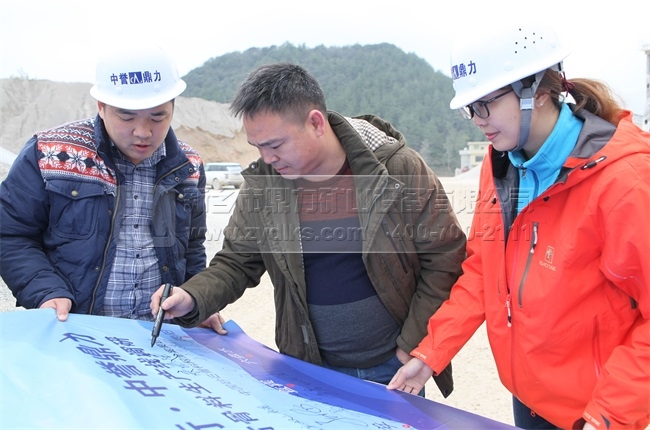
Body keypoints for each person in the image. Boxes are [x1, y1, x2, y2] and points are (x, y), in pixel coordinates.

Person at [386, 23, 650, 430]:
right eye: (469, 108)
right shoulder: (500, 166)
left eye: (485, 104)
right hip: (527, 398)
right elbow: (482, 271)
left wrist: (606, 417)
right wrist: (431, 354)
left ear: (538, 91)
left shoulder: (624, 182)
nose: (477, 120)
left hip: (592, 411)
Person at [150, 62, 467, 396]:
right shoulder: (265, 186)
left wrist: (412, 343)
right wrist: (192, 296)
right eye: (257, 147)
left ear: (316, 122)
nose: (267, 158)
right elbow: (236, 262)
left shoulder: (397, 168)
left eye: (275, 145)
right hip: (307, 366)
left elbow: (444, 258)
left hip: (393, 369)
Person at [0, 46, 207, 323]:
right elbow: (11, 234)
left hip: (160, 332)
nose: (143, 132)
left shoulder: (188, 166)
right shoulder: (50, 153)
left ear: (173, 106)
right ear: (101, 106)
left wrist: (198, 301)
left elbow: (192, 246)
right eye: (127, 117)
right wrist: (46, 291)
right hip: (77, 329)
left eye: (158, 116)